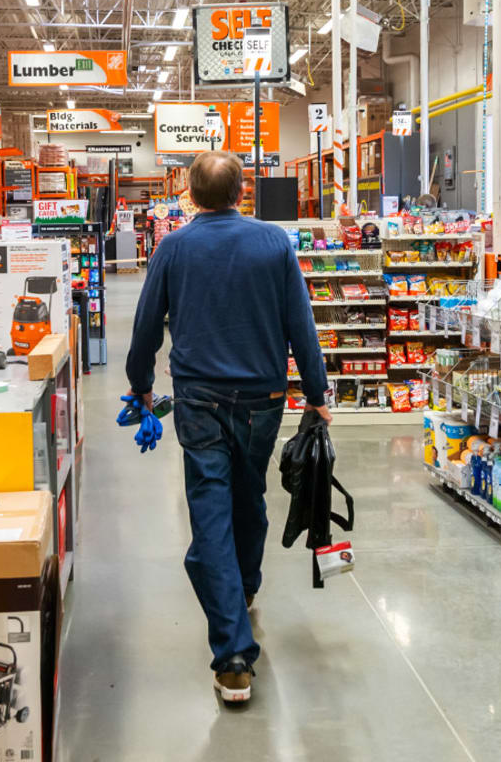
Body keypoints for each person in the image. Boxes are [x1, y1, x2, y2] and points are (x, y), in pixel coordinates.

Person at [125, 150, 330, 705]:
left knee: (211, 510)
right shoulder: (274, 244)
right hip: (263, 400)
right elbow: (300, 323)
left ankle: (233, 656)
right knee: (250, 496)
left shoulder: (173, 247)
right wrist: (317, 394)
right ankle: (242, 588)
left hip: (199, 401)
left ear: (190, 195)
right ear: (243, 193)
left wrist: (140, 384)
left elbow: (147, 323)